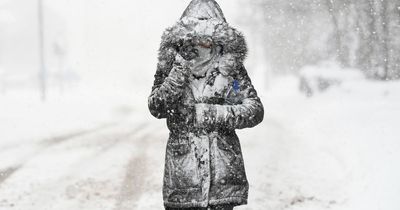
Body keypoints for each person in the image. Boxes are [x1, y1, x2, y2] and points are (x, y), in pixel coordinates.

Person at [148, 0, 264, 209]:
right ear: (184, 38)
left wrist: (212, 113)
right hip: (184, 178)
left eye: (207, 38)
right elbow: (156, 107)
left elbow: (253, 110)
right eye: (195, 38)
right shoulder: (171, 66)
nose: (201, 44)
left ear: (217, 39)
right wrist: (177, 74)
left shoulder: (230, 70)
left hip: (223, 175)